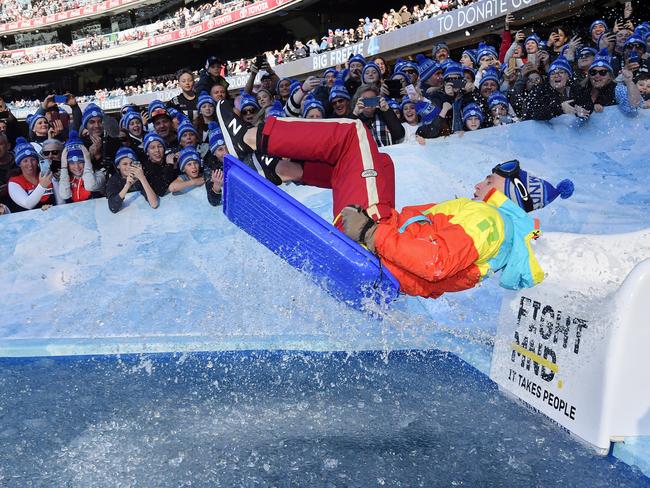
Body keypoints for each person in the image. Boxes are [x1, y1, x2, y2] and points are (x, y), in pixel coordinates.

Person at [215, 104, 550, 299]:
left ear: (510, 191)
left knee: (353, 134)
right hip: (380, 259)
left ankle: (248, 138)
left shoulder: (487, 220)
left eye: (490, 181)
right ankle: (285, 170)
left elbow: (435, 263)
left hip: (370, 249)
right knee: (381, 163)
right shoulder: (496, 227)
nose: (480, 184)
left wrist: (371, 233)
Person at [8, 137, 58, 211]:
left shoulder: (46, 175)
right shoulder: (14, 182)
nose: (30, 164)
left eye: (33, 160)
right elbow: (27, 204)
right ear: (19, 164)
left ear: (37, 161)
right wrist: (42, 186)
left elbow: (60, 201)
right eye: (25, 161)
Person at [106, 147, 159, 213]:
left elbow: (154, 204)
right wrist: (127, 186)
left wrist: (142, 178)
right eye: (125, 164)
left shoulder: (140, 177)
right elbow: (113, 208)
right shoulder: (113, 181)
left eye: (131, 163)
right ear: (118, 166)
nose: (129, 167)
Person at [57, 132, 105, 203]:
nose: (76, 167)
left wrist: (88, 161)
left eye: (80, 162)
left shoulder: (99, 174)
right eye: (72, 163)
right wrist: (63, 167)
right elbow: (65, 195)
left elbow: (90, 185)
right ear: (67, 164)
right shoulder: (65, 178)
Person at [142, 132, 177, 197]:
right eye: (152, 148)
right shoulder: (146, 168)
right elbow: (161, 191)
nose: (157, 150)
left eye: (160, 146)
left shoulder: (170, 159)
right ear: (147, 152)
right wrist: (169, 166)